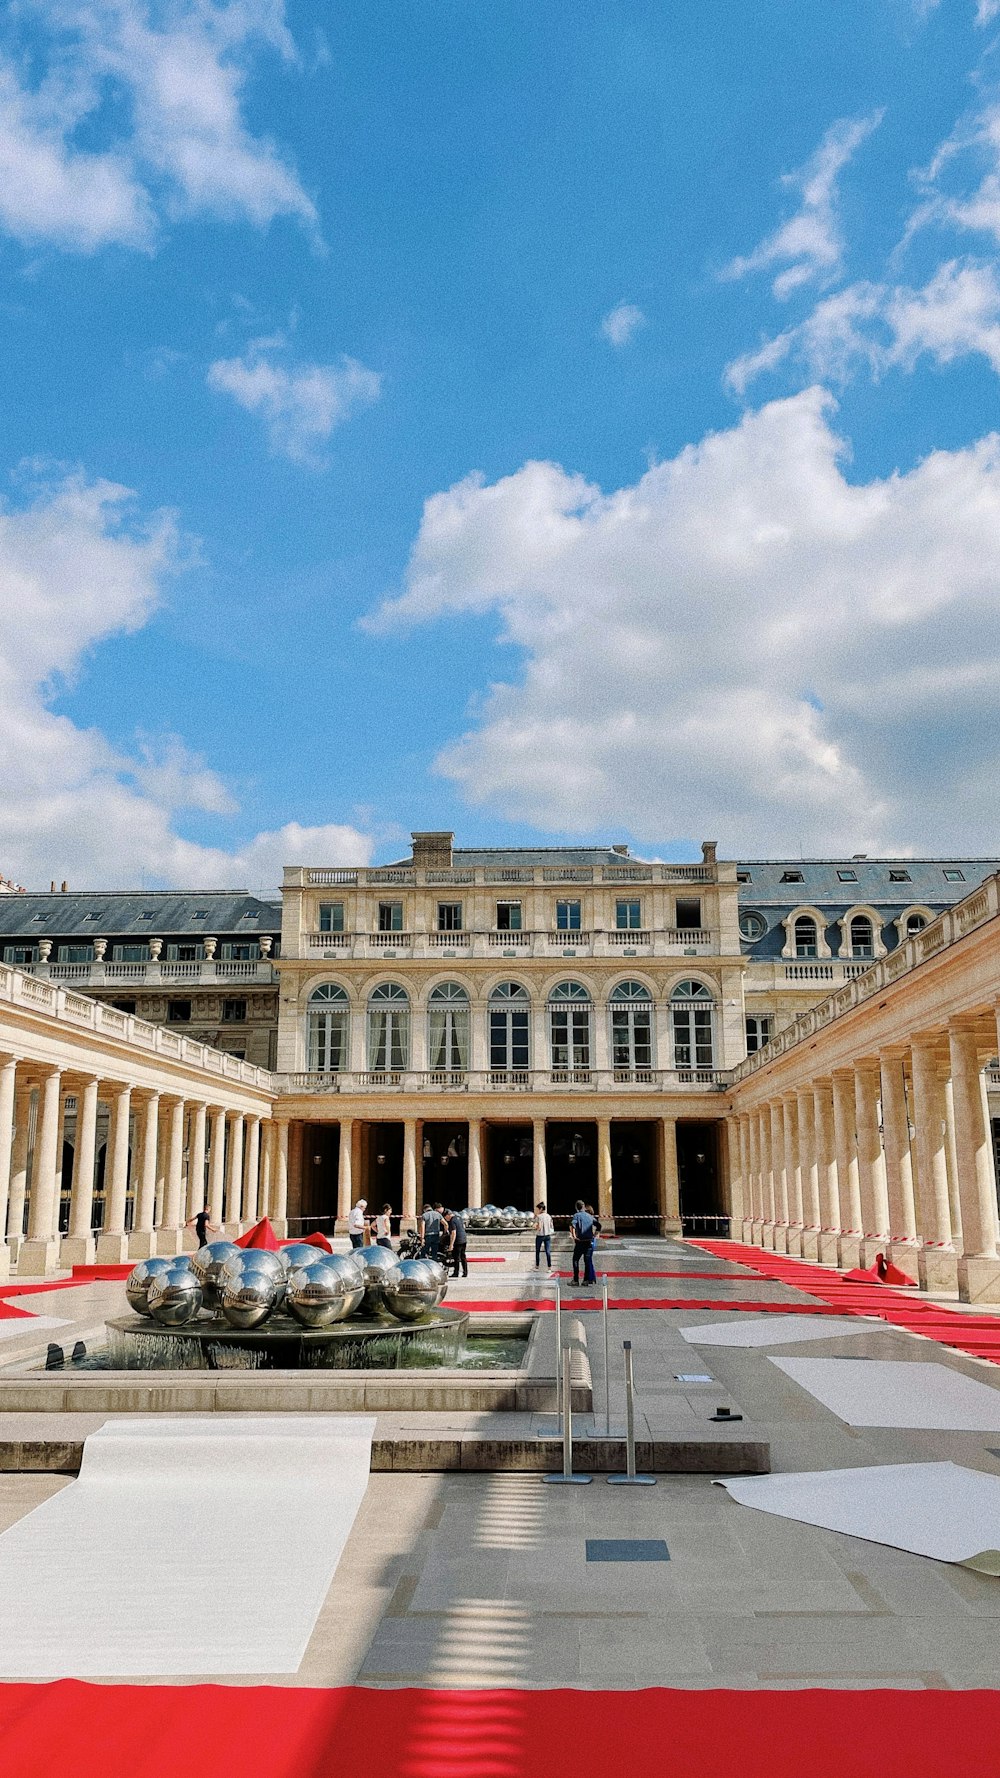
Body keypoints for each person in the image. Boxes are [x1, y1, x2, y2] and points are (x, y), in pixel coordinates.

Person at [570, 1199, 596, 1286]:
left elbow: (573, 1226)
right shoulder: (590, 1216)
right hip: (589, 1241)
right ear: (584, 1206)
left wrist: (574, 1236)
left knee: (575, 1260)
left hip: (580, 1242)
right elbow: (598, 1225)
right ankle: (586, 1280)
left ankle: (576, 1280)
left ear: (577, 1207)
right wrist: (595, 1234)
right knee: (587, 1261)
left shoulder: (576, 1215)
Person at [445, 1207, 468, 1278]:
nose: (446, 1219)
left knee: (456, 1258)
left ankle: (456, 1272)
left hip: (458, 1241)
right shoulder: (459, 1217)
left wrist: (451, 1245)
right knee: (463, 1256)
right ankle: (465, 1272)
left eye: (445, 1217)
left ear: (448, 1215)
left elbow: (453, 1232)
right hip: (464, 1239)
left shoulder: (452, 1221)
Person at [534, 1201, 554, 1271]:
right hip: (548, 1235)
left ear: (541, 1209)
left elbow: (538, 1227)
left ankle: (537, 1266)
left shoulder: (538, 1217)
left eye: (538, 1209)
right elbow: (551, 1226)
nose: (537, 1210)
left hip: (540, 1235)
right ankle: (549, 1267)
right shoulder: (549, 1216)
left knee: (537, 1251)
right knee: (548, 1251)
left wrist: (535, 1227)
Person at [583, 1202, 600, 1285]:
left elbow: (599, 1226)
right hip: (590, 1239)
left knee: (588, 1259)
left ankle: (591, 1277)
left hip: (591, 1240)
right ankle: (592, 1277)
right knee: (589, 1260)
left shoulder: (591, 1219)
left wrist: (595, 1234)